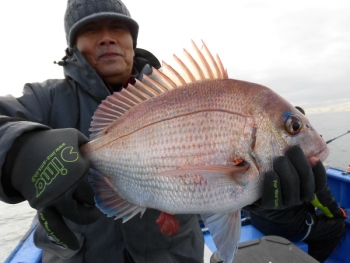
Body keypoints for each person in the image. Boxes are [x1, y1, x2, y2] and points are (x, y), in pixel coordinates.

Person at [0, 1, 337, 263]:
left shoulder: (168, 90)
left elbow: (218, 195)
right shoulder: (46, 99)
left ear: (132, 39)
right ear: (73, 44)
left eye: (117, 27)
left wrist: (256, 197)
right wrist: (18, 151)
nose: (107, 36)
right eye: (91, 29)